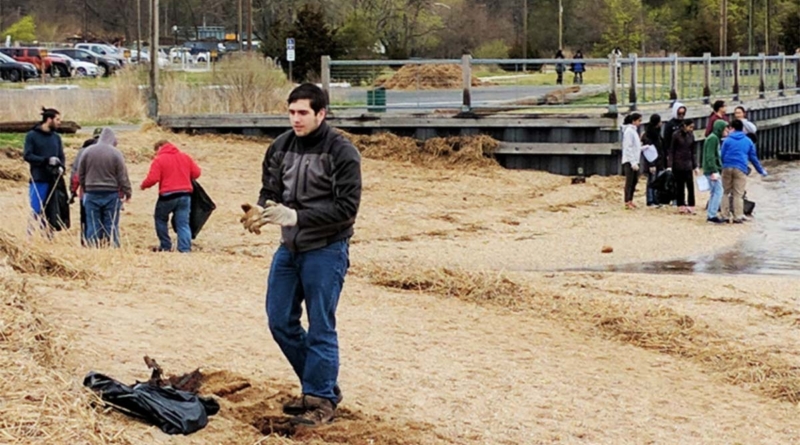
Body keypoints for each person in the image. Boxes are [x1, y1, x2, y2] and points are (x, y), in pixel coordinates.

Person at [240, 83, 362, 427]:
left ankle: (319, 399)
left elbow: (347, 209)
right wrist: (261, 210)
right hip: (289, 249)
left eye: (303, 113)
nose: (296, 119)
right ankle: (320, 387)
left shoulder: (342, 151)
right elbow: (270, 190)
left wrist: (295, 216)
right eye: (291, 112)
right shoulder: (279, 147)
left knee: (321, 326)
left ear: (321, 113)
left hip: (327, 248)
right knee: (279, 321)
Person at [140, 140, 202, 253]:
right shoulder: (185, 157)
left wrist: (143, 185)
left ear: (159, 148)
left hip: (167, 196)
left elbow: (153, 178)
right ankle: (184, 249)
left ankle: (165, 246)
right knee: (183, 223)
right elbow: (196, 173)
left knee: (160, 219)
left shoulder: (159, 160)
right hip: (185, 195)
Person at [78, 128, 132, 247]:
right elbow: (122, 176)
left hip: (91, 192)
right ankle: (112, 248)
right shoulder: (116, 153)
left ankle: (92, 248)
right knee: (111, 224)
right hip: (111, 193)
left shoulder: (87, 151)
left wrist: (85, 187)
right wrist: (128, 192)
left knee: (92, 223)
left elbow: (80, 173)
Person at [23, 107, 65, 233]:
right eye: (57, 119)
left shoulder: (56, 137)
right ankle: (30, 235)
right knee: (36, 209)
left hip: (54, 180)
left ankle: (47, 236)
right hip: (39, 179)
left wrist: (61, 166)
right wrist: (46, 160)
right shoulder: (32, 136)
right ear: (49, 119)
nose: (60, 122)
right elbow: (28, 155)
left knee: (52, 211)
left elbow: (61, 155)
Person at [720, 119, 767, 223]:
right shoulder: (748, 141)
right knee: (738, 193)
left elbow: (722, 155)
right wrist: (761, 170)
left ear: (732, 128)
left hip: (727, 166)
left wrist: (723, 165)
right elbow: (753, 158)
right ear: (742, 129)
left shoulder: (727, 140)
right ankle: (738, 216)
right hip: (740, 168)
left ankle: (725, 215)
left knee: (725, 192)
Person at [70, 127, 103, 245]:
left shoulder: (83, 151)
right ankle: (103, 243)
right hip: (108, 192)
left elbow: (76, 173)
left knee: (86, 219)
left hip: (87, 192)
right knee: (105, 220)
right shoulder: (112, 150)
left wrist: (72, 191)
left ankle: (86, 243)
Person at [667, 118, 698, 214]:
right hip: (678, 163)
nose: (691, 129)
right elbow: (671, 150)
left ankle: (691, 204)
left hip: (688, 163)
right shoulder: (676, 135)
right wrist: (670, 165)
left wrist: (695, 166)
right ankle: (681, 204)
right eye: (690, 127)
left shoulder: (691, 135)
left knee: (690, 185)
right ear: (685, 126)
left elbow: (693, 152)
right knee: (680, 186)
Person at [702, 120, 729, 223]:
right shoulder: (713, 139)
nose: (726, 130)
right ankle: (712, 215)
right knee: (719, 191)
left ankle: (711, 213)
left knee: (714, 192)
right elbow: (710, 156)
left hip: (711, 169)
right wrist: (714, 170)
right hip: (711, 170)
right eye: (725, 128)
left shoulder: (714, 138)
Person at [640, 114, 663, 207]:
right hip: (652, 161)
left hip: (658, 160)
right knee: (651, 180)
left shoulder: (656, 133)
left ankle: (655, 199)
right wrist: (651, 164)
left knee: (656, 180)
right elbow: (649, 151)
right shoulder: (649, 135)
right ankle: (650, 200)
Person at [621, 113, 643, 209]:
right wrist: (632, 162)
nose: (640, 123)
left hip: (635, 159)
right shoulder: (629, 131)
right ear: (634, 121)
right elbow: (628, 148)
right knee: (629, 181)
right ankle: (627, 201)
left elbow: (635, 147)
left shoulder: (634, 131)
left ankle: (630, 199)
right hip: (630, 161)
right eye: (639, 120)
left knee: (634, 181)